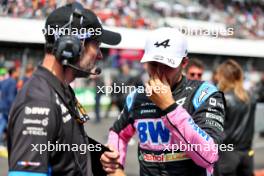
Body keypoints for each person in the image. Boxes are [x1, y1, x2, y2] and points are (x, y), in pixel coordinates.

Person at [7, 2, 121, 176]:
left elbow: (63, 143)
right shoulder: (40, 102)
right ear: (73, 44)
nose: (99, 55)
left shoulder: (60, 89)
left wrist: (99, 154)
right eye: (96, 45)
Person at [101, 27, 225, 176]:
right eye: (153, 64)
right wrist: (116, 166)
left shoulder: (204, 94)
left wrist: (170, 108)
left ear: (184, 63)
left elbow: (209, 156)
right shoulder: (136, 97)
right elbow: (118, 133)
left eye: (167, 65)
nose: (159, 72)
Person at [214, 59, 256, 176]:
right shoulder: (250, 97)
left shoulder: (221, 97)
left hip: (227, 153)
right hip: (247, 153)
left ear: (223, 76)